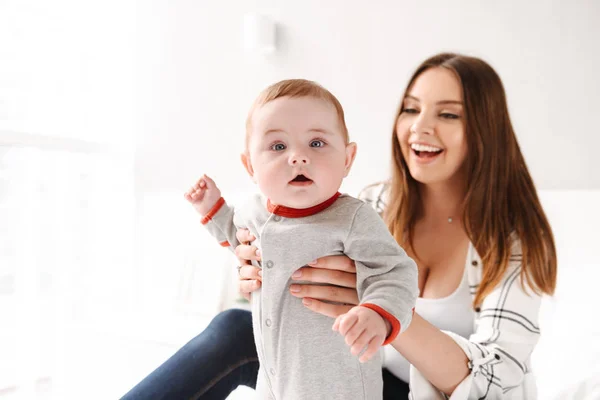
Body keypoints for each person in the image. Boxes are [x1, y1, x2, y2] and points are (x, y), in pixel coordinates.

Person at [121, 53, 557, 399]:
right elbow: (274, 248)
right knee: (233, 329)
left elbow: (497, 379)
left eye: (448, 114)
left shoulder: (514, 241)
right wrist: (259, 268)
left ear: (486, 130)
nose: (419, 128)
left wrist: (383, 312)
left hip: (421, 395)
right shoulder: (372, 203)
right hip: (343, 376)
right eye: (411, 108)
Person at [181, 79, 418, 400]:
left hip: (340, 385)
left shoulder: (352, 218)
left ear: (347, 159)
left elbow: (396, 272)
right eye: (278, 147)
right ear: (250, 165)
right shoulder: (252, 210)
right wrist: (212, 209)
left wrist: (377, 313)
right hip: (274, 379)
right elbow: (237, 239)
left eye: (317, 143)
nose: (297, 157)